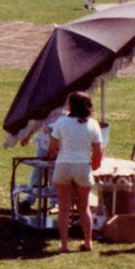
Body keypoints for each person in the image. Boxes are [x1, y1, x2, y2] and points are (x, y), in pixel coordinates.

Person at [47, 92, 103, 254]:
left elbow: (52, 148)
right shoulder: (93, 124)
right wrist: (90, 163)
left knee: (64, 208)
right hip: (82, 165)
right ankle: (88, 241)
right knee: (83, 207)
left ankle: (64, 245)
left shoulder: (61, 122)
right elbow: (98, 150)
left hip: (64, 165)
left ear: (70, 105)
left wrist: (55, 154)